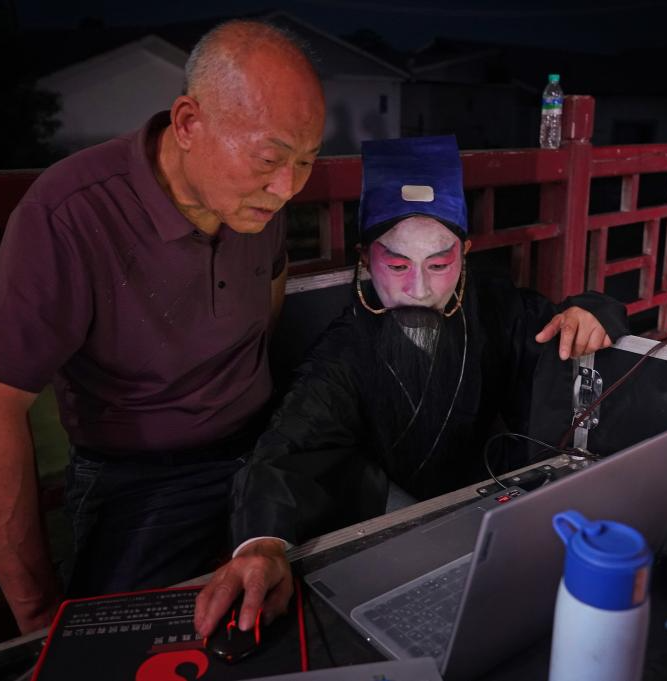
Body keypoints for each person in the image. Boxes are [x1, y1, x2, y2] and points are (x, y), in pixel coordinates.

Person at [0, 21, 325, 634]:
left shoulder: (255, 201)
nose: (286, 188)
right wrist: (39, 619)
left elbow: (270, 295)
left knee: (336, 592)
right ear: (189, 123)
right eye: (269, 157)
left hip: (264, 448)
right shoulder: (71, 212)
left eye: (305, 161)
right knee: (134, 646)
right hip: (143, 477)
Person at [193, 135, 628, 637]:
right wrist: (262, 544)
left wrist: (591, 311)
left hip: (491, 506)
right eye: (397, 265)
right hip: (391, 526)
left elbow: (560, 325)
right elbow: (289, 447)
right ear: (365, 258)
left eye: (439, 265)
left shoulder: (494, 306)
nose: (419, 289)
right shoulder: (344, 351)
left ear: (465, 254)